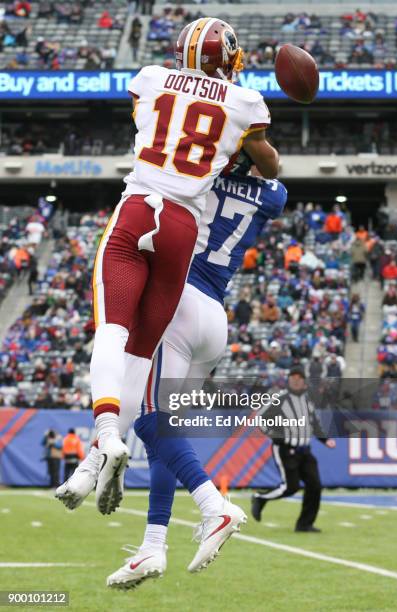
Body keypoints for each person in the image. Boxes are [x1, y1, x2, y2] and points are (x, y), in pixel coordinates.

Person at [56, 169, 287, 585]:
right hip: (215, 314)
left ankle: (213, 505)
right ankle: (152, 545)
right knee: (164, 427)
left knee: (148, 419)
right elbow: (267, 174)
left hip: (179, 301)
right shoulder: (274, 195)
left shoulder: (207, 172)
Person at [89, 17, 280, 520]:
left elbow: (168, 128)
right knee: (164, 416)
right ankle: (161, 535)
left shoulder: (152, 78)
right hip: (208, 296)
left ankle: (104, 453)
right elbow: (268, 165)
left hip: (154, 228)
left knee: (122, 355)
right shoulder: (264, 172)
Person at [251, 366, 336, 532]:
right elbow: (260, 418)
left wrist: (325, 440)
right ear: (289, 380)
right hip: (285, 450)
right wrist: (276, 436)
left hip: (305, 450)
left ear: (304, 381)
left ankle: (305, 524)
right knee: (291, 487)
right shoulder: (280, 397)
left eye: (299, 378)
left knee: (315, 486)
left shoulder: (307, 400)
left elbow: (314, 423)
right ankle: (260, 498)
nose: (296, 381)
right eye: (293, 378)